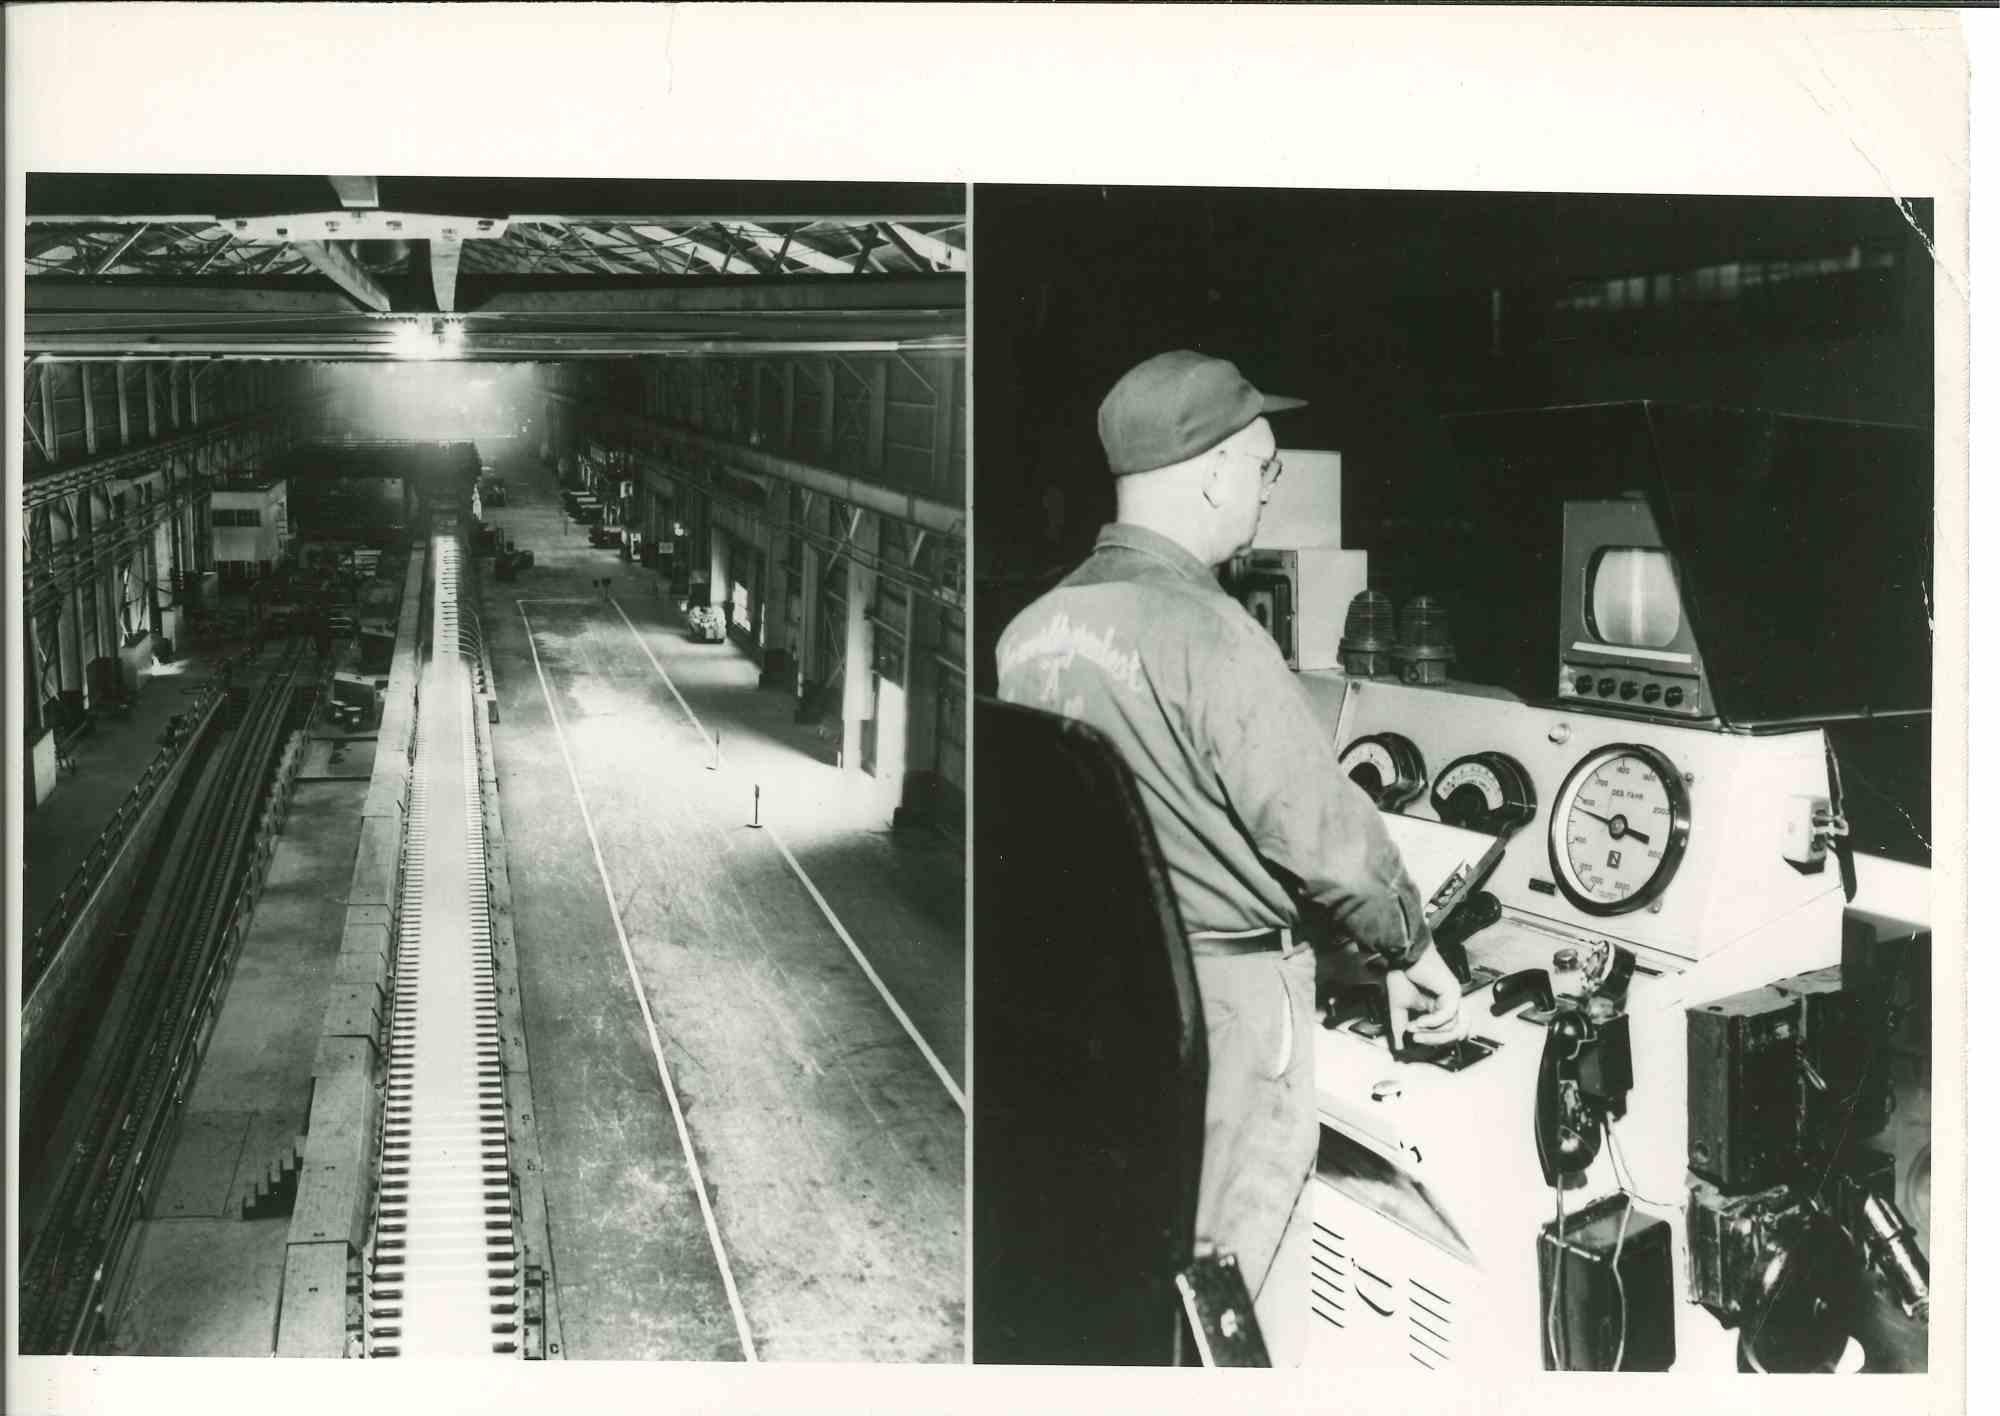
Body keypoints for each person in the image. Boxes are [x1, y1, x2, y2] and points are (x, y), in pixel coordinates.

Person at [995, 350, 1466, 1366]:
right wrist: (1415, 956)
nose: (1265, 489)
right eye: (1262, 469)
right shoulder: (1213, 634)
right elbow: (1331, 850)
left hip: (1096, 1002)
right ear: (1209, 473)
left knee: (1131, 1256)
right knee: (1216, 1286)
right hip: (1230, 1015)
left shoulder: (1027, 634)